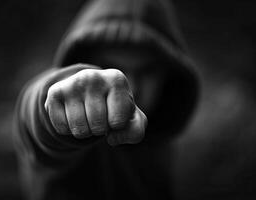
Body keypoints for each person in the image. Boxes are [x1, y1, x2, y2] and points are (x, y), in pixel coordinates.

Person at [13, 0, 199, 199]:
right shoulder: (76, 143)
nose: (133, 87)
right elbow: (37, 122)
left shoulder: (160, 133)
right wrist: (55, 101)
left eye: (148, 71)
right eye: (111, 66)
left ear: (168, 75)